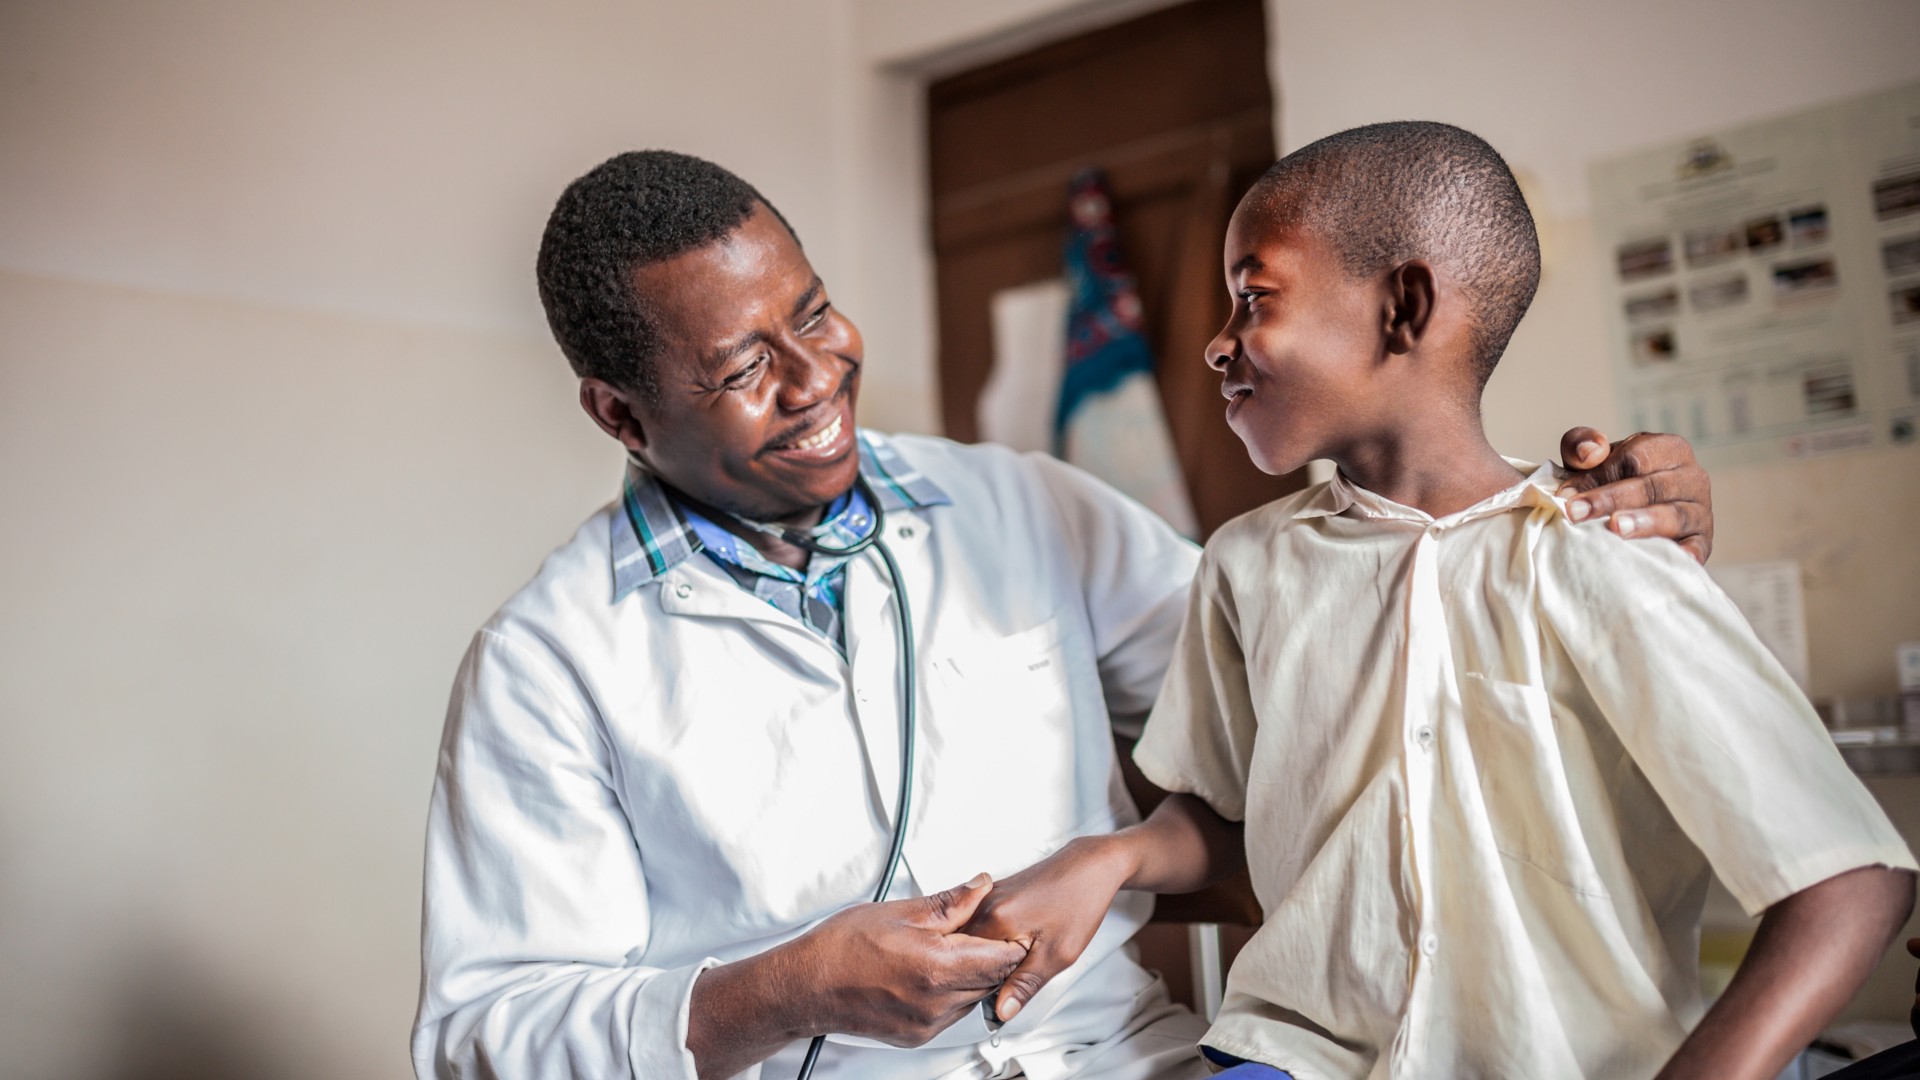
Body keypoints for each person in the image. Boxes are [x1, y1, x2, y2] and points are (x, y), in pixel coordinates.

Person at [410, 149, 1720, 1080]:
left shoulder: (1029, 506)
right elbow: (484, 1034)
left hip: (1122, 1062)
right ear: (622, 416)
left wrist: (1573, 558)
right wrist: (782, 992)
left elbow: (1325, 706)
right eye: (748, 367)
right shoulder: (549, 664)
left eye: (813, 314)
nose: (820, 380)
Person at [958, 122, 1917, 1080]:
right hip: (1302, 1057)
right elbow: (1224, 813)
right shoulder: (1246, 565)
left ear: (1404, 308)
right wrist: (1113, 856)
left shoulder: (1602, 549)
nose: (1217, 344)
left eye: (1254, 299)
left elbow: (1850, 880)